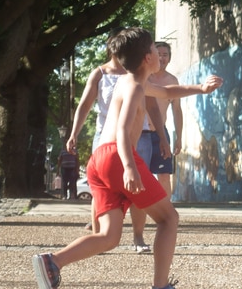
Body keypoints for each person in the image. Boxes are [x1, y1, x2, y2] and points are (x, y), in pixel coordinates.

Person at [33, 27, 223, 289]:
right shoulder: (134, 86)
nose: (160, 54)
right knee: (169, 219)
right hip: (116, 156)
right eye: (157, 50)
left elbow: (168, 92)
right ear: (148, 57)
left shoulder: (134, 81)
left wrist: (201, 88)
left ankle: (52, 261)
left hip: (99, 158)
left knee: (109, 236)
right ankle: (160, 286)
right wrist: (130, 167)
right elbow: (122, 129)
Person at [66, 29, 170, 252]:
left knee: (138, 191)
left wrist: (162, 136)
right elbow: (85, 105)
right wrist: (74, 132)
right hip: (107, 141)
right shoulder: (104, 75)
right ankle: (99, 236)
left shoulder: (136, 77)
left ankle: (137, 237)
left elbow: (157, 101)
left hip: (135, 138)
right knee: (168, 217)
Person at [148, 42, 183, 197]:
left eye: (165, 55)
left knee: (164, 175)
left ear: (169, 58)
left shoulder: (172, 81)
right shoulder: (143, 77)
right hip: (139, 133)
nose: (162, 58)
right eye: (159, 54)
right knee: (140, 175)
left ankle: (165, 215)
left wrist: (179, 138)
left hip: (160, 133)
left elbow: (177, 110)